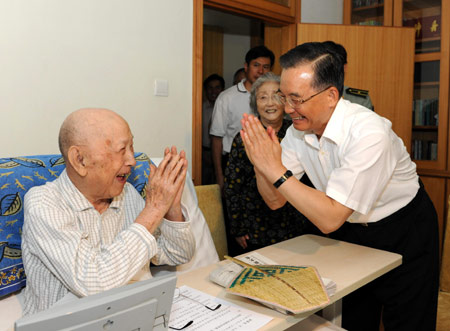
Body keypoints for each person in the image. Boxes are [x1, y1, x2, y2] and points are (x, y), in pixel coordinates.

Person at [240, 42, 439, 331]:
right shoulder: (299, 131)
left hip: (403, 230)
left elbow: (330, 218)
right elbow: (274, 200)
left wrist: (275, 171)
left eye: (296, 99)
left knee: (408, 322)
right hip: (352, 232)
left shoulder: (369, 133)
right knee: (354, 319)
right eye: (285, 97)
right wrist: (261, 163)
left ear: (332, 95)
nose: (288, 109)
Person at [21, 108, 196, 315]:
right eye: (122, 150)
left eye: (132, 147)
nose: (132, 160)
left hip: (131, 316)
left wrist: (171, 208)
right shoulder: (44, 204)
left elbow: (178, 254)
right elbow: (94, 283)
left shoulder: (127, 194)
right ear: (80, 160)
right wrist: (155, 208)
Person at [223, 72, 311, 255]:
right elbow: (233, 187)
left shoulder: (298, 132)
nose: (270, 103)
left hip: (295, 220)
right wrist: (238, 229)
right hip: (255, 223)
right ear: (255, 103)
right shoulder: (244, 137)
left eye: (276, 96)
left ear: (285, 101)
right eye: (263, 97)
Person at [210, 45, 275, 191]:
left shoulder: (276, 98)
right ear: (246, 67)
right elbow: (216, 138)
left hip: (266, 162)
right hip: (233, 163)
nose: (260, 71)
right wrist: (219, 176)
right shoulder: (226, 97)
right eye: (256, 65)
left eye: (266, 67)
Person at [322, 40, 374, 111]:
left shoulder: (359, 100)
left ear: (344, 67)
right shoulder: (306, 98)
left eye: (334, 66)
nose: (329, 71)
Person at [202, 74, 225, 184]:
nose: (213, 91)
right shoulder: (199, 109)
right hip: (202, 155)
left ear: (222, 90)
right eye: (210, 88)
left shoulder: (226, 109)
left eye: (217, 87)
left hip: (222, 156)